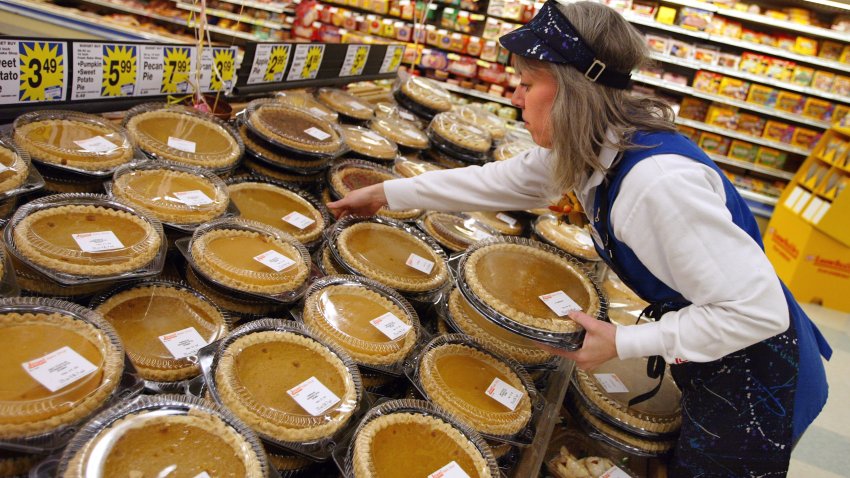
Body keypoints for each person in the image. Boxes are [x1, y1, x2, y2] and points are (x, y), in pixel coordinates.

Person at [327, 1, 831, 475]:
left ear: (572, 90)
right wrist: (387, 193)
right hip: (711, 346)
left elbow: (758, 312)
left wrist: (627, 342)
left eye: (527, 83)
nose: (515, 97)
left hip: (758, 375)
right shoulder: (600, 144)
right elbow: (505, 180)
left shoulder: (654, 186)